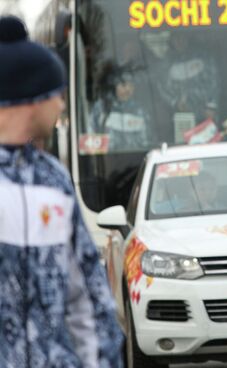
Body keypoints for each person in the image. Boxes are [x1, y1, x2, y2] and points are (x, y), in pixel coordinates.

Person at [0, 16, 123, 367]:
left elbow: (87, 293)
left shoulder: (53, 178)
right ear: (30, 99)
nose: (62, 105)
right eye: (56, 94)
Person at [90, 64, 150, 152]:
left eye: (131, 86)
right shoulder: (101, 108)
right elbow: (90, 136)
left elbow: (146, 141)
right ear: (114, 86)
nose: (128, 90)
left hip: (134, 160)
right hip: (106, 161)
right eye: (123, 85)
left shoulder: (139, 111)